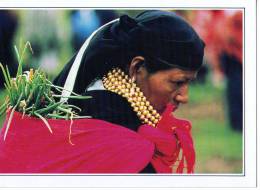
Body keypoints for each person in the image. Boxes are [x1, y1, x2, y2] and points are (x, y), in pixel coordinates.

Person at [53, 10, 205, 173]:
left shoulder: (107, 103)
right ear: (137, 68)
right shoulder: (113, 133)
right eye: (178, 82)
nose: (184, 97)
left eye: (189, 82)